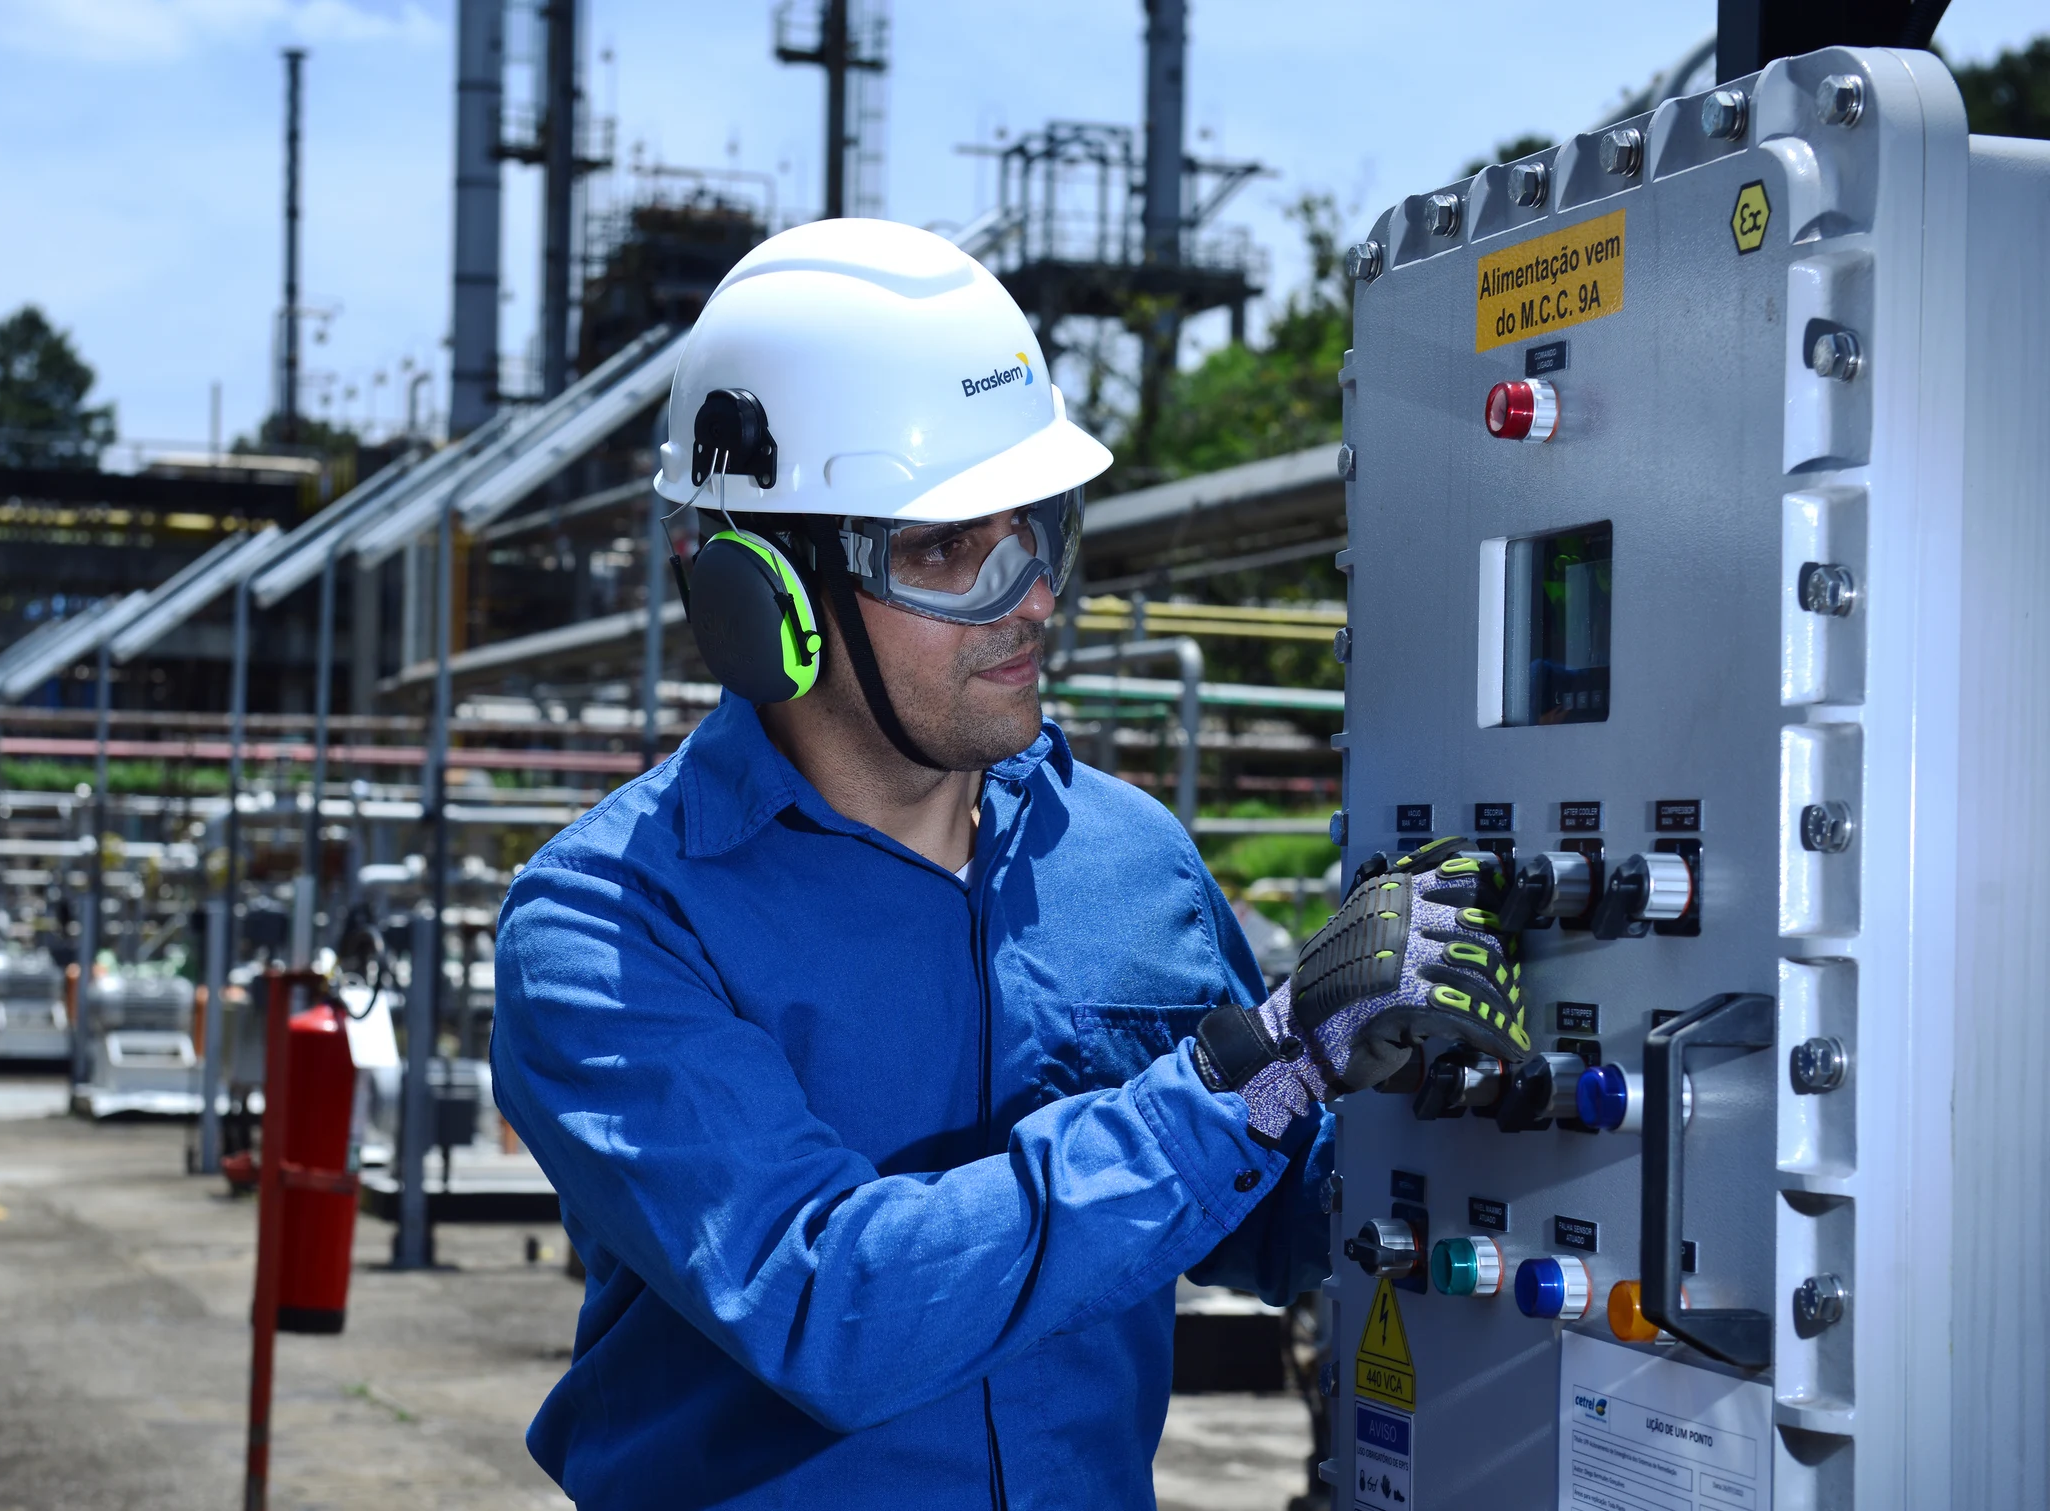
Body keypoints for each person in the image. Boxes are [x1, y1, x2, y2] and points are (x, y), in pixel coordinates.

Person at [490, 218, 1529, 1510]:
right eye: (947, 550)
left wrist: (1417, 1096)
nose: (1030, 595)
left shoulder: (1127, 856)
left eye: (1035, 526)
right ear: (760, 591)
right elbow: (831, 1305)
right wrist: (1252, 1074)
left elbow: (1258, 1210)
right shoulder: (610, 924)